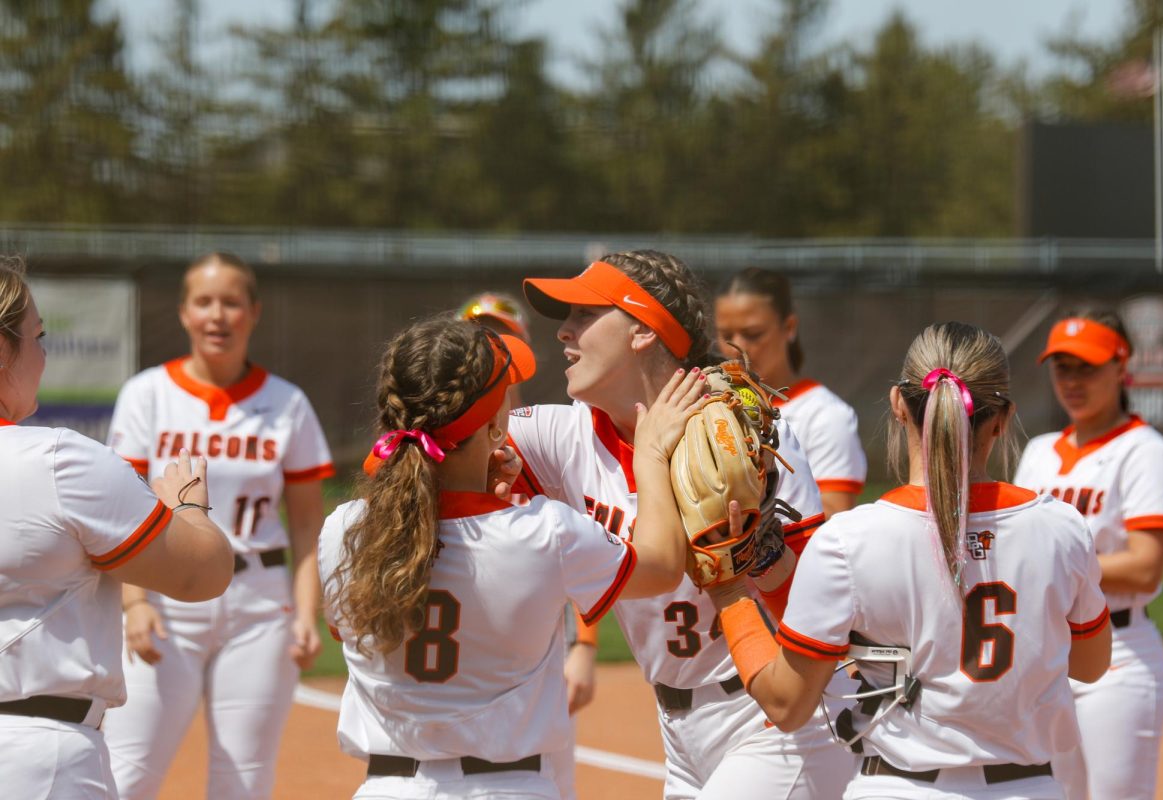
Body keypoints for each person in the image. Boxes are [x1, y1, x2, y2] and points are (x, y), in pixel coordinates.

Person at [709, 321, 1112, 800]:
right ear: (1002, 418)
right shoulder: (1061, 527)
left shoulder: (849, 540)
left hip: (900, 789)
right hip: (1030, 789)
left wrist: (730, 591)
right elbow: (1090, 665)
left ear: (899, 404)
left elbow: (787, 705)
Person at [510, 251, 855, 799]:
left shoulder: (736, 436)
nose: (564, 332)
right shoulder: (557, 438)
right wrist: (486, 458)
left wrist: (755, 553)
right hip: (676, 731)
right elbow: (416, 453)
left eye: (583, 315)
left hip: (777, 717)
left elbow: (820, 618)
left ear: (643, 331)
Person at [319, 316, 701, 799]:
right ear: (497, 423)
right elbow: (663, 566)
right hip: (508, 788)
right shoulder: (543, 532)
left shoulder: (345, 529)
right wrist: (649, 456)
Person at [102, 252, 336, 799]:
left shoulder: (287, 403)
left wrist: (307, 612)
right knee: (128, 771)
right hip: (164, 600)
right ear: (184, 313)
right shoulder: (148, 394)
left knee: (243, 779)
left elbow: (306, 523)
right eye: (204, 302)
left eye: (232, 302)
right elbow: (122, 509)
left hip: (259, 602)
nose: (218, 315)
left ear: (253, 312)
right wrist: (133, 604)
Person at [0, 257, 233, 798]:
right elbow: (204, 574)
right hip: (40, 758)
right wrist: (187, 507)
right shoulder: (60, 460)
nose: (44, 354)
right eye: (37, 337)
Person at [1014, 310, 1163, 800]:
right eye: (1062, 367)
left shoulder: (1146, 451)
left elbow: (1145, 565)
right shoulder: (1040, 452)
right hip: (1046, 655)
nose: (1072, 380)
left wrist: (1050, 570)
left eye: (1086, 367)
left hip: (1120, 657)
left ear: (1121, 367)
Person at [460, 289, 596, 798]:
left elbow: (588, 538)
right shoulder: (447, 437)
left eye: (501, 335)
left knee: (550, 776)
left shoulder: (548, 433)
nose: (489, 345)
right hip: (467, 626)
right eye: (478, 334)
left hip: (540, 637)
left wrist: (584, 646)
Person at [715, 267, 867, 516]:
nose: (737, 347)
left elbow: (834, 516)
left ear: (789, 327)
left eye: (753, 334)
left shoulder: (824, 414)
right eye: (726, 335)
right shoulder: (708, 404)